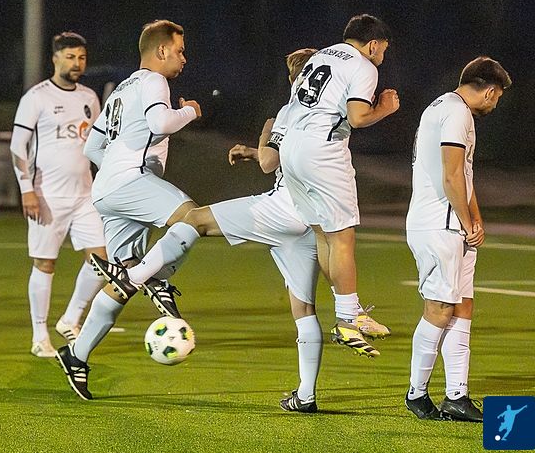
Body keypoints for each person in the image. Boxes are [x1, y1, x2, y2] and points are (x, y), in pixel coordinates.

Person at [91, 48, 389, 409]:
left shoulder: (289, 111)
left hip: (280, 210)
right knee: (304, 310)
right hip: (311, 222)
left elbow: (269, 162)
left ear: (296, 79)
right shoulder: (332, 111)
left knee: (196, 219)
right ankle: (306, 395)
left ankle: (134, 276)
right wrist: (252, 150)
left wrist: (264, 135)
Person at [56, 20, 201, 399]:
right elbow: (161, 121)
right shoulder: (155, 81)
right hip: (129, 182)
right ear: (162, 50)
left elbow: (91, 147)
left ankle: (76, 355)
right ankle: (155, 279)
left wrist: (114, 174)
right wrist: (190, 112)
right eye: (180, 50)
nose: (184, 58)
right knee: (194, 219)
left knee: (120, 285)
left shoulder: (122, 89)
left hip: (108, 189)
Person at [277, 14, 399, 357]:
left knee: (323, 235)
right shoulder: (363, 65)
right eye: (383, 49)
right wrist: (385, 108)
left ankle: (350, 309)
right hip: (323, 151)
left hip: (291, 148)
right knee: (343, 237)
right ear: (372, 44)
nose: (382, 56)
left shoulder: (320, 56)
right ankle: (347, 320)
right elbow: (358, 117)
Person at [404, 56, 510, 422]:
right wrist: (466, 221)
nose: (495, 104)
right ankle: (416, 393)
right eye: (498, 97)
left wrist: (474, 220)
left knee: (462, 307)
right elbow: (450, 177)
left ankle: (457, 396)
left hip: (453, 225)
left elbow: (463, 175)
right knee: (439, 308)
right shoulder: (455, 112)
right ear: (490, 91)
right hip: (438, 225)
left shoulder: (445, 107)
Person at [11, 32, 107, 358]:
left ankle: (70, 319)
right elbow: (18, 147)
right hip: (47, 195)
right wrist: (27, 190)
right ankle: (39, 335)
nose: (76, 63)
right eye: (70, 57)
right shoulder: (36, 97)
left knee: (101, 260)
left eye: (81, 57)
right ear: (55, 58)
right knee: (45, 263)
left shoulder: (90, 97)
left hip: (85, 195)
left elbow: (96, 145)